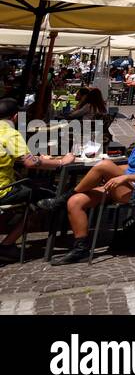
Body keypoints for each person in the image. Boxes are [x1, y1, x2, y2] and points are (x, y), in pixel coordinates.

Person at [38, 103, 135, 265]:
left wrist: (122, 178)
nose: (134, 122)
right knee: (75, 202)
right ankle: (80, 248)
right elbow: (130, 167)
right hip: (123, 188)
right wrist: (114, 172)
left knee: (104, 165)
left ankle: (59, 200)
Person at [0, 98, 75, 262]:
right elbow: (29, 163)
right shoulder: (10, 133)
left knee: (31, 188)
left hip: (6, 185)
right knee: (47, 199)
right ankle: (7, 245)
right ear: (14, 117)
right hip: (3, 190)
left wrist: (36, 158)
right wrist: (62, 161)